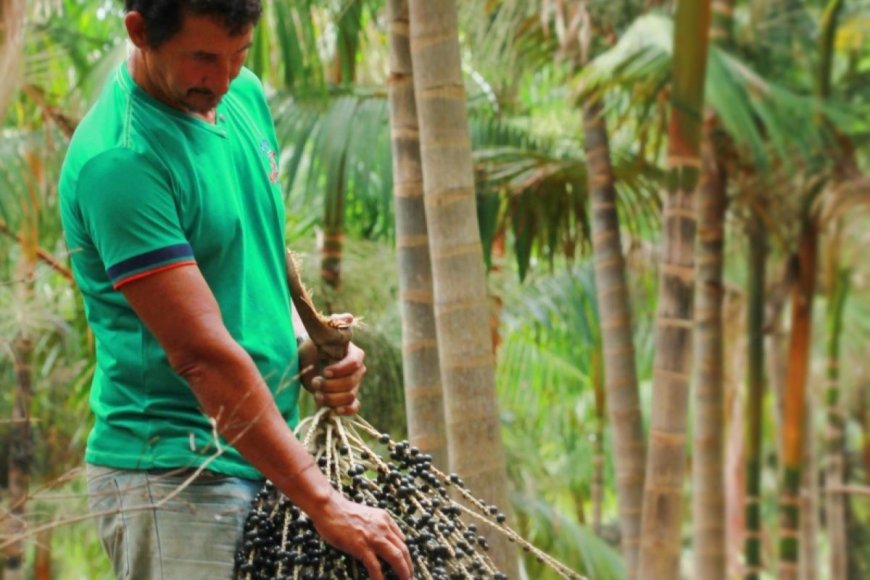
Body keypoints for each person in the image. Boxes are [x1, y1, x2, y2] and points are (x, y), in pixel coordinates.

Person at [58, 1, 413, 578]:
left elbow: (249, 257)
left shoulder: (240, 96)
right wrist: (326, 503)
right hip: (176, 479)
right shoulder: (121, 162)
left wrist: (305, 349)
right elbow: (201, 358)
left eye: (239, 54)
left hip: (267, 460)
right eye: (203, 58)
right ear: (140, 31)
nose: (222, 79)